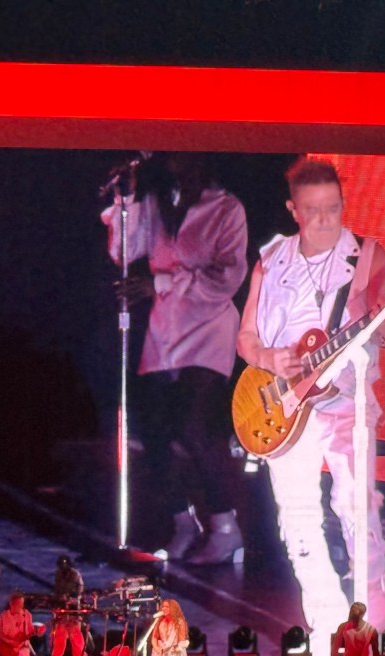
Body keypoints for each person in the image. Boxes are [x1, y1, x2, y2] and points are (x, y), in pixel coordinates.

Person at [236, 158, 385, 656]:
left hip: (346, 396)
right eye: (314, 211)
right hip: (284, 402)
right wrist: (269, 356)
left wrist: (379, 315)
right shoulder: (271, 261)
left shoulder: (367, 256)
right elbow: (245, 337)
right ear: (293, 210)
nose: (327, 220)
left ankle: (372, 610)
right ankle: (328, 623)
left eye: (334, 208)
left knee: (356, 504)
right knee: (299, 516)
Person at [102, 152, 249, 564]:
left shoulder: (226, 208)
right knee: (154, 432)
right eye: (171, 158)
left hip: (208, 325)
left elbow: (227, 277)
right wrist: (125, 201)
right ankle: (183, 523)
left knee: (192, 423)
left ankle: (225, 527)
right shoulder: (155, 202)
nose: (176, 164)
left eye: (185, 155)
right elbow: (123, 250)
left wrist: (162, 282)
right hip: (165, 330)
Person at [49, 555, 86, 656]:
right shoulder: (57, 574)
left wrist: (71, 598)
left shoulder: (75, 575)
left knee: (75, 635)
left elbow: (80, 591)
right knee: (60, 634)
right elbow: (56, 589)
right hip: (61, 607)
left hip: (73, 609)